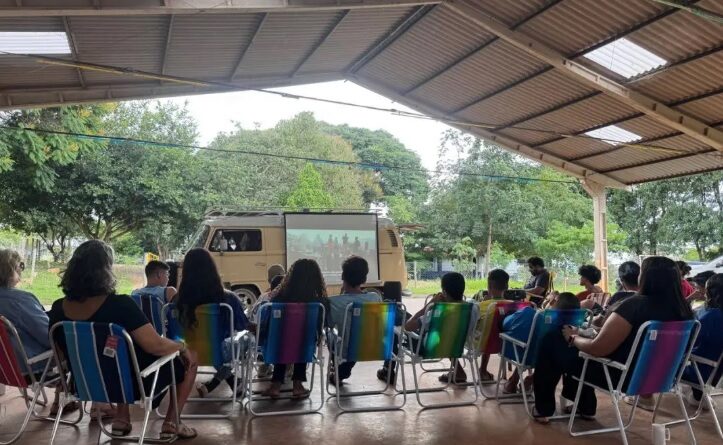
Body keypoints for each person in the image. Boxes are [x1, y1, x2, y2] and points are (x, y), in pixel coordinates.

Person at [48, 240, 198, 439]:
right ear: (106, 270)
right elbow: (156, 346)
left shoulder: (58, 309)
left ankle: (122, 419)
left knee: (118, 357)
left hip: (84, 385)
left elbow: (59, 355)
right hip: (131, 385)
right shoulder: (120, 305)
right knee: (190, 359)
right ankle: (172, 423)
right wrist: (181, 347)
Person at [532, 256, 694, 423]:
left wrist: (574, 338)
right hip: (661, 378)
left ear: (645, 277)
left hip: (618, 377)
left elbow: (598, 349)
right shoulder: (685, 312)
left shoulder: (633, 306)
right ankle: (585, 406)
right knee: (572, 351)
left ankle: (544, 409)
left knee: (552, 341)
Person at [172, 248, 248, 399]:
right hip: (218, 351)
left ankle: (223, 383)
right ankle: (228, 382)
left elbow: (174, 331)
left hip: (185, 352)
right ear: (213, 269)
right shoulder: (228, 298)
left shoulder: (177, 301)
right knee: (246, 340)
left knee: (212, 346)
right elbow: (241, 326)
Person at [263, 259, 329, 399]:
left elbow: (268, 321)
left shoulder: (279, 299)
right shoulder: (319, 302)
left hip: (279, 343)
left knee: (284, 340)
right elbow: (323, 324)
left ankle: (275, 385)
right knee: (304, 339)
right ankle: (297, 386)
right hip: (305, 344)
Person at [502, 292, 581, 394]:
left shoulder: (530, 314)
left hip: (526, 356)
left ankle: (513, 382)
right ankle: (529, 379)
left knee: (522, 340)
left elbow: (506, 324)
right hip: (552, 362)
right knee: (532, 342)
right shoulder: (571, 328)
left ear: (553, 302)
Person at [327, 256, 382, 385]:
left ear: (342, 276)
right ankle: (341, 372)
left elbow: (329, 325)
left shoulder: (334, 302)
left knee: (331, 335)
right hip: (373, 347)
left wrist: (342, 296)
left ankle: (338, 370)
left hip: (346, 350)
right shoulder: (374, 297)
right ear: (364, 278)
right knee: (358, 336)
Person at [681, 273, 723, 407]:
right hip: (717, 374)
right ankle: (698, 395)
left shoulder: (708, 315)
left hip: (700, 373)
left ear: (711, 292)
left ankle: (697, 395)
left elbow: (687, 344)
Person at [474, 269, 510, 381]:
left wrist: (483, 301)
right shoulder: (514, 305)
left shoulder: (483, 305)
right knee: (493, 330)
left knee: (486, 331)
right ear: (507, 286)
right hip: (507, 345)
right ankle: (483, 370)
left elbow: (474, 324)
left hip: (484, 343)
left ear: (489, 286)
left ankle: (482, 369)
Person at [585, 261, 640, 327]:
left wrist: (586, 322)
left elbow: (600, 322)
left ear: (621, 280)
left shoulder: (619, 297)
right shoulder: (647, 298)